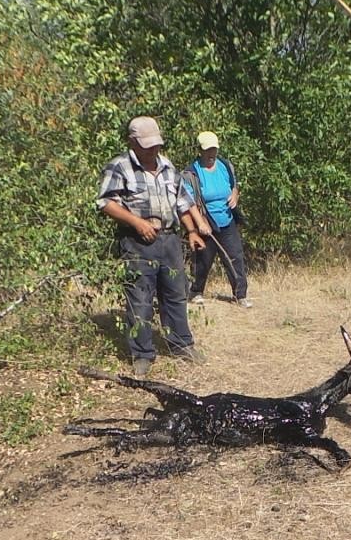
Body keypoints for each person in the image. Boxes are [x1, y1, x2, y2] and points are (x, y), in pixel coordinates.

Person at [96, 116, 207, 377]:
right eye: (147, 145)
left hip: (169, 240)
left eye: (155, 144)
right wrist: (137, 223)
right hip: (137, 243)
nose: (153, 149)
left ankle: (181, 344)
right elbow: (105, 203)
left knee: (176, 293)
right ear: (132, 142)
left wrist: (192, 231)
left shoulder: (167, 166)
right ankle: (142, 354)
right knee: (140, 298)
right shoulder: (119, 167)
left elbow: (181, 201)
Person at [181, 131, 252, 308]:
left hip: (227, 219)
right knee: (203, 260)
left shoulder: (225, 166)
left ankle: (240, 295)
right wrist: (200, 223)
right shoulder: (191, 173)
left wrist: (235, 195)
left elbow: (234, 186)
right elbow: (188, 202)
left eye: (214, 149)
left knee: (235, 257)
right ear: (200, 150)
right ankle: (196, 291)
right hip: (205, 220)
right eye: (207, 150)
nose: (211, 154)